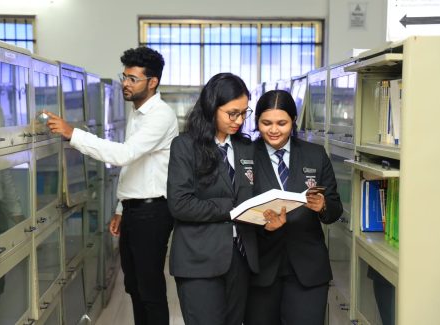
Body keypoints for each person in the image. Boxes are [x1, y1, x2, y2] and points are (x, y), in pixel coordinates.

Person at [46, 47, 178, 325]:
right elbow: (135, 166)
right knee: (134, 285)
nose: (125, 84)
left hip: (153, 213)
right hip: (136, 209)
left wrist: (73, 134)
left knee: (150, 289)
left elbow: (123, 155)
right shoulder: (138, 112)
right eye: (125, 77)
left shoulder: (160, 115)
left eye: (133, 79)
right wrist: (121, 207)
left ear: (152, 82)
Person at [167, 72, 285, 325]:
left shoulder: (246, 148)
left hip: (240, 257)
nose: (239, 120)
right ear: (212, 107)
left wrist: (268, 216)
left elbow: (254, 197)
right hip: (199, 260)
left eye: (244, 113)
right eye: (232, 113)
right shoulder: (185, 146)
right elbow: (180, 204)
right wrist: (232, 209)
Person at [244, 90, 343, 325]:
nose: (274, 130)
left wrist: (323, 206)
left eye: (282, 123)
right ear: (257, 122)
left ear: (294, 120)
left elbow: (335, 208)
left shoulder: (315, 155)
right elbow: (237, 208)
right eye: (266, 123)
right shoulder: (246, 155)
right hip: (261, 268)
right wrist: (263, 225)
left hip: (307, 267)